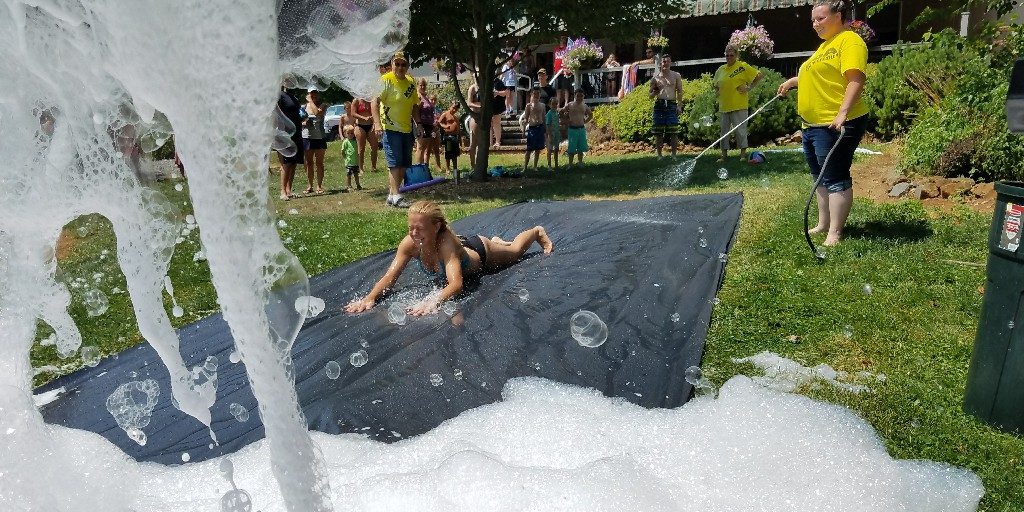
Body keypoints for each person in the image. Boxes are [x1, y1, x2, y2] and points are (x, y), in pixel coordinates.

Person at [344, 200, 554, 316]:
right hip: (461, 246)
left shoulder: (445, 243)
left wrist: (431, 301)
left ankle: (535, 232)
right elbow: (390, 276)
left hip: (481, 253)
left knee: (516, 251)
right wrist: (369, 298)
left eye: (419, 228)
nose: (414, 233)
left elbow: (456, 284)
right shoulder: (410, 243)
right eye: (410, 228)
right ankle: (499, 241)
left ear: (436, 227)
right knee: (505, 247)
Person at [778, 0, 869, 247]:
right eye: (813, 20)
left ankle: (835, 233)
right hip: (812, 125)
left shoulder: (849, 41)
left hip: (835, 124)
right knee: (820, 176)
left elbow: (855, 79)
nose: (815, 24)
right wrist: (794, 81)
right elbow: (820, 77)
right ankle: (823, 224)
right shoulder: (825, 46)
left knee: (835, 177)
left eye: (820, 18)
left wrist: (842, 113)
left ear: (838, 16)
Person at [372, 51, 420, 208]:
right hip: (390, 127)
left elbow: (414, 105)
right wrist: (377, 124)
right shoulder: (385, 80)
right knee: (395, 162)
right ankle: (397, 195)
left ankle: (392, 195)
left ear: (407, 66)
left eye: (403, 64)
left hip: (406, 128)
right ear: (391, 64)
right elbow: (374, 102)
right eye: (397, 63)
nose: (400, 67)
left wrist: (418, 124)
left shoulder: (411, 82)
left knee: (404, 163)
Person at [714, 45, 763, 162]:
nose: (729, 57)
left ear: (736, 55)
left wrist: (749, 88)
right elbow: (715, 85)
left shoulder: (742, 66)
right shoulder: (721, 69)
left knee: (740, 130)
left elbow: (759, 75)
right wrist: (717, 91)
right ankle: (724, 155)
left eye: (732, 55)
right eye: (727, 55)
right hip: (724, 105)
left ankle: (742, 155)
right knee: (724, 132)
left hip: (739, 104)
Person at [648, 55, 684, 158]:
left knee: (673, 131)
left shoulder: (676, 75)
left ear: (670, 63)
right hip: (659, 105)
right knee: (659, 132)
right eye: (664, 62)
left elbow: (680, 91)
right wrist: (655, 92)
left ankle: (673, 155)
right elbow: (650, 96)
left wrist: (679, 105)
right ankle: (659, 155)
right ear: (660, 64)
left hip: (672, 104)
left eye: (668, 61)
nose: (666, 63)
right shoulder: (655, 78)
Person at [276, 85, 304, 201]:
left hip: (297, 131)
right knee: (286, 162)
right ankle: (282, 191)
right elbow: (276, 113)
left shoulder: (293, 97)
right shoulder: (280, 96)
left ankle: (289, 190)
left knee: (294, 162)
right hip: (286, 133)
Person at [303, 87, 328, 194]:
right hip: (307, 136)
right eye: (311, 93)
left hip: (320, 137)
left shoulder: (323, 105)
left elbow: (317, 113)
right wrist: (304, 123)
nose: (313, 95)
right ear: (308, 93)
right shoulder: (304, 106)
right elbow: (299, 120)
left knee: (319, 163)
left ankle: (319, 185)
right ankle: (310, 185)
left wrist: (310, 101)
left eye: (315, 93)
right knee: (309, 163)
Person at [560, 89, 592, 167]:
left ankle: (580, 162)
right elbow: (561, 112)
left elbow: (591, 115)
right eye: (578, 95)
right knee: (572, 147)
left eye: (581, 96)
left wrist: (586, 121)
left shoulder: (584, 106)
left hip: (581, 128)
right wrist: (566, 120)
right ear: (575, 96)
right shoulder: (570, 105)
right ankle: (570, 164)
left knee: (581, 147)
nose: (579, 97)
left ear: (583, 96)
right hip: (572, 129)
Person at [352, 97, 378, 173]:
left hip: (371, 125)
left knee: (374, 146)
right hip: (360, 125)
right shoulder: (356, 100)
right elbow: (353, 113)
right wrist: (363, 118)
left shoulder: (371, 100)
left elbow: (376, 111)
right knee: (361, 148)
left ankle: (374, 167)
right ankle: (361, 168)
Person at [522, 87, 546, 171]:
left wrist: (545, 130)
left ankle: (535, 166)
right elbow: (526, 117)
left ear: (540, 95)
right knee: (529, 149)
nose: (536, 95)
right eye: (534, 93)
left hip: (540, 128)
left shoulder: (542, 105)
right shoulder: (528, 106)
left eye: (538, 93)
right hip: (532, 128)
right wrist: (524, 128)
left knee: (537, 149)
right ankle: (525, 166)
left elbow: (544, 117)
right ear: (531, 94)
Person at [415, 78, 438, 166]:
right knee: (420, 147)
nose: (423, 86)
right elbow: (415, 110)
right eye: (421, 85)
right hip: (421, 124)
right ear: (417, 85)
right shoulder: (418, 96)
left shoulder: (426, 97)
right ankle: (418, 167)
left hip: (429, 124)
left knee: (424, 147)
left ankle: (423, 166)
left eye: (424, 85)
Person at [437, 102, 461, 176]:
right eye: (453, 107)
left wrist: (459, 137)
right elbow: (439, 122)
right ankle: (447, 168)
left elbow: (458, 128)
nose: (454, 110)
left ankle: (455, 168)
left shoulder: (455, 117)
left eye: (456, 109)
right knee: (448, 152)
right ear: (450, 106)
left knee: (455, 153)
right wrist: (445, 126)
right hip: (448, 137)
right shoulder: (445, 114)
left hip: (455, 137)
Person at [465, 81, 482, 168]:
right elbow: (469, 103)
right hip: (475, 117)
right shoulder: (473, 88)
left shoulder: (484, 87)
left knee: (481, 143)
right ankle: (472, 164)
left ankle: (479, 164)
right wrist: (480, 106)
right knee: (473, 143)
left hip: (483, 117)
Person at [340, 125, 361, 192]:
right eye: (348, 133)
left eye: (352, 133)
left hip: (356, 161)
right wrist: (345, 157)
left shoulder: (355, 141)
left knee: (356, 174)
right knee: (349, 174)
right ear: (345, 134)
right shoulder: (345, 142)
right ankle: (349, 185)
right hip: (349, 162)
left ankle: (358, 185)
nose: (350, 135)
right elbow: (342, 151)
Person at [490, 74, 508, 148]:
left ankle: (497, 142)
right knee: (488, 125)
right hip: (487, 106)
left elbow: (505, 93)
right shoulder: (484, 81)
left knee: (496, 123)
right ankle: (489, 142)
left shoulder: (498, 82)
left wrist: (497, 93)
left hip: (497, 106)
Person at [545, 97, 561, 169]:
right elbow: (547, 125)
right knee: (549, 150)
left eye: (556, 104)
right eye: (553, 104)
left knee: (556, 149)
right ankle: (549, 165)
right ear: (549, 104)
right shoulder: (549, 114)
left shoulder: (557, 113)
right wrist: (550, 135)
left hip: (557, 133)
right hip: (551, 134)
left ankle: (556, 165)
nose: (554, 105)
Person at [553, 37, 569, 108]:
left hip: (564, 71)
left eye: (564, 39)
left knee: (566, 87)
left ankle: (566, 103)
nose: (562, 40)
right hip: (557, 71)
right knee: (558, 88)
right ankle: (558, 103)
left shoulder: (567, 49)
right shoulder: (556, 49)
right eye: (561, 39)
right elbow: (554, 59)